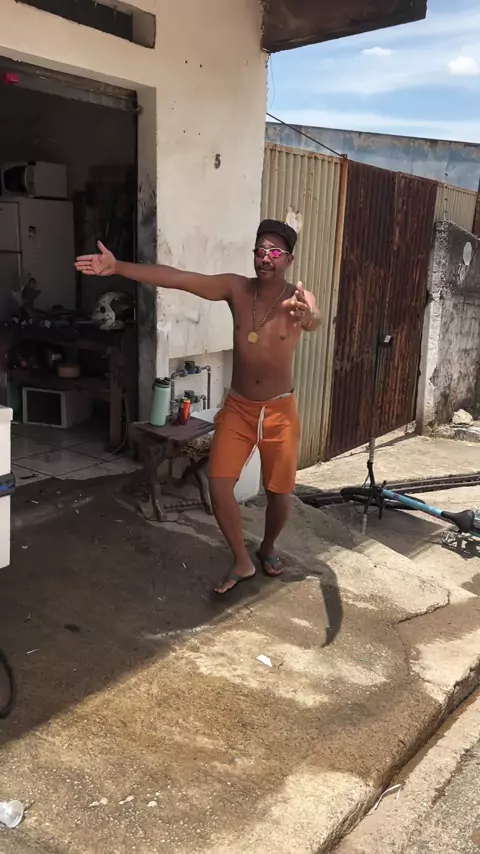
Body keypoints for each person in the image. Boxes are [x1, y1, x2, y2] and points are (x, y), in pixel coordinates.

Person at [75, 219, 320, 594]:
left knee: (279, 493)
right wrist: (118, 266)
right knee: (220, 486)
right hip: (239, 409)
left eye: (275, 252)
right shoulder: (237, 289)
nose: (265, 258)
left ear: (289, 260)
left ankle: (268, 547)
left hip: (280, 412)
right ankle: (242, 561)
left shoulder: (297, 301)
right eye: (260, 250)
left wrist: (310, 316)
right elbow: (180, 278)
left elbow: (314, 318)